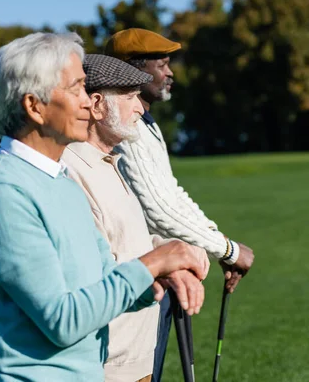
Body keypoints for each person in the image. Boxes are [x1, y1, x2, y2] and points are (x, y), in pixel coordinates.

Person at [0, 32, 209, 382]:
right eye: (76, 88)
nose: (89, 104)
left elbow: (104, 281)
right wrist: (152, 262)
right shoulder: (2, 191)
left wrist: (157, 278)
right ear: (34, 106)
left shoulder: (59, 181)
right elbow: (62, 320)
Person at [105, 28, 256, 381]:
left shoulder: (146, 123)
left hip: (159, 268)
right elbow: (158, 209)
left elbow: (171, 192)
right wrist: (228, 250)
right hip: (137, 276)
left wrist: (215, 239)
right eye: (162, 64)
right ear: (133, 71)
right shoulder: (125, 127)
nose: (170, 73)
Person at [62, 54, 207, 382]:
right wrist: (162, 262)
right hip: (106, 366)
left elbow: (127, 242)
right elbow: (90, 276)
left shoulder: (110, 162)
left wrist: (170, 256)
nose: (141, 108)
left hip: (138, 358)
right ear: (97, 104)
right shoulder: (71, 172)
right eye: (129, 98)